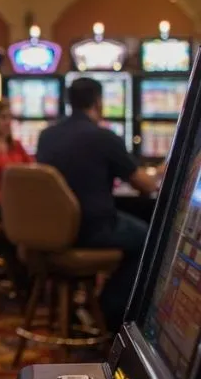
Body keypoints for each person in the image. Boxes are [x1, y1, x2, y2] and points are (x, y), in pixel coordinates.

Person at [37, 77, 160, 331]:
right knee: (149, 239)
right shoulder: (104, 137)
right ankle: (111, 308)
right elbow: (145, 186)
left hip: (52, 231)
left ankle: (89, 305)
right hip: (91, 229)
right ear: (98, 102)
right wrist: (163, 170)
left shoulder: (46, 135)